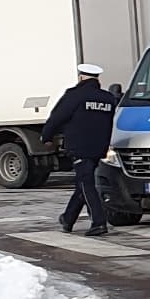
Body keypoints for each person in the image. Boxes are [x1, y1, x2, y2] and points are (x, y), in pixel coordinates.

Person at [43, 62, 119, 235]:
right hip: (99, 147)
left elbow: (57, 117)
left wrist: (46, 136)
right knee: (82, 184)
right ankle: (68, 219)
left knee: (86, 184)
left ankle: (99, 222)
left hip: (79, 147)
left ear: (81, 77)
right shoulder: (107, 98)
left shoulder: (74, 95)